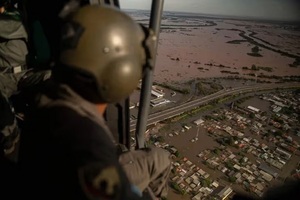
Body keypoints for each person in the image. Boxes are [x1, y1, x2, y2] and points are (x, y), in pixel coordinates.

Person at [19, 5, 171, 200]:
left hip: (45, 177)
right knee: (160, 159)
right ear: (120, 72)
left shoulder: (49, 93)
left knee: (158, 158)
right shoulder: (89, 144)